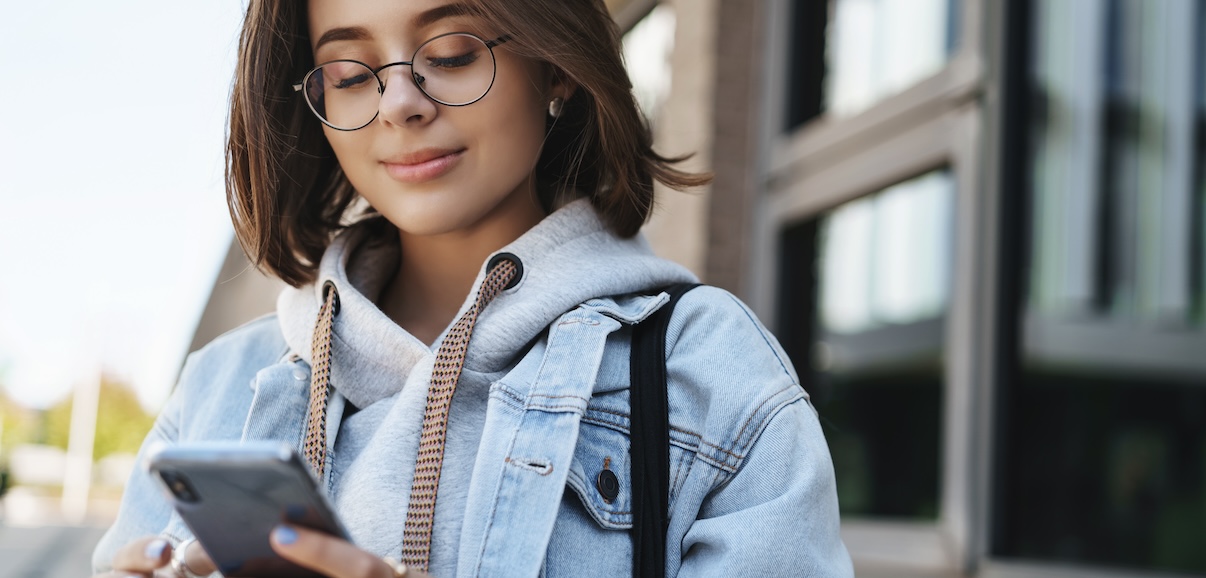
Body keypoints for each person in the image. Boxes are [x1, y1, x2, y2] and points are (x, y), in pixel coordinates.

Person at [92, 0, 852, 576]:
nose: (399, 104)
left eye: (452, 53)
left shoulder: (706, 372)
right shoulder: (221, 388)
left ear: (554, 62)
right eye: (351, 75)